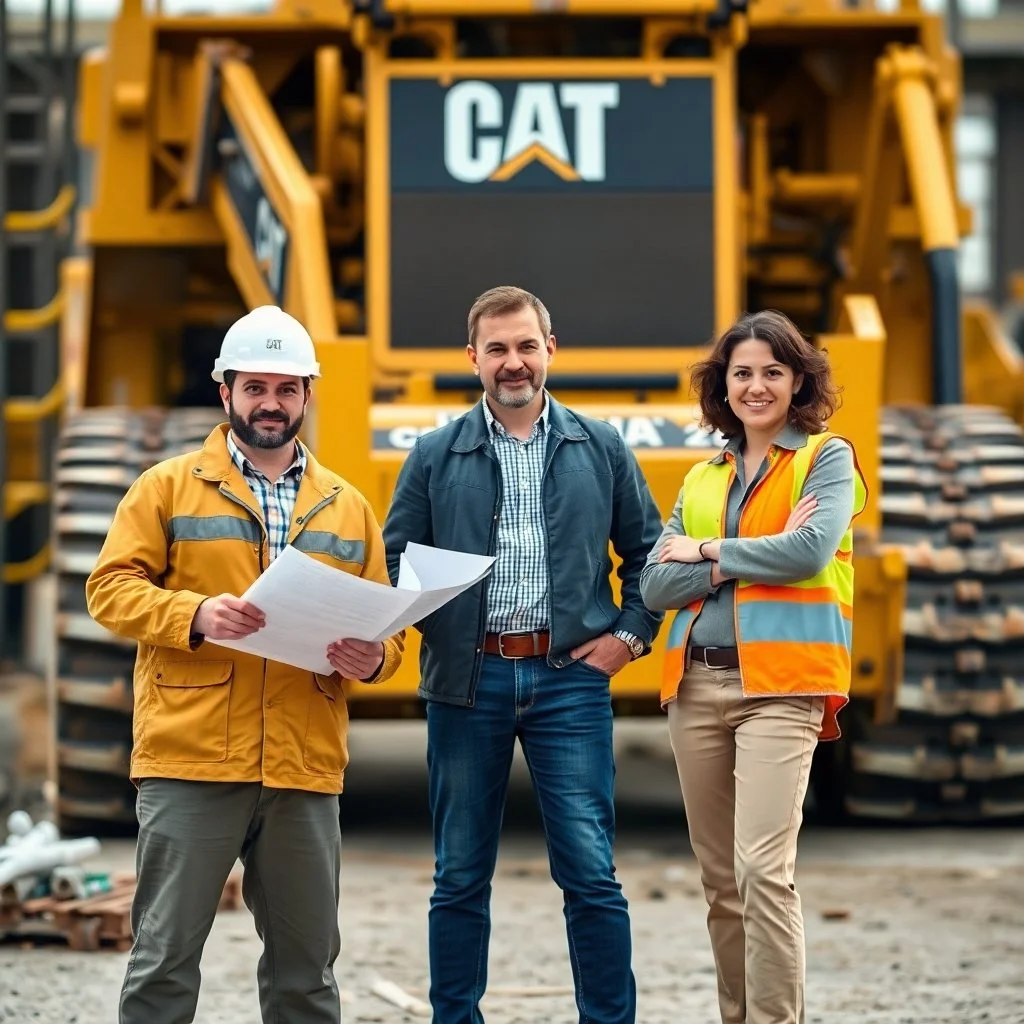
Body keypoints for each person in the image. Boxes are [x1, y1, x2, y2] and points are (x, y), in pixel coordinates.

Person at [85, 305, 404, 1024]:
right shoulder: (164, 488)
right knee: (164, 962)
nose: (271, 403)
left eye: (287, 388)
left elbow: (389, 630)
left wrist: (375, 655)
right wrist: (193, 615)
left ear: (307, 396)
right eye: (255, 386)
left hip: (303, 764)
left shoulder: (348, 507)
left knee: (307, 972)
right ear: (225, 390)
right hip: (192, 759)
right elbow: (108, 590)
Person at [381, 285, 664, 1024]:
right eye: (498, 349)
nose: (514, 363)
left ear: (551, 350)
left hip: (569, 680)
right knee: (460, 876)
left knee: (591, 874)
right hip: (467, 682)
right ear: (473, 357)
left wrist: (630, 636)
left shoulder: (599, 447)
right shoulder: (436, 455)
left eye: (526, 346)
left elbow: (651, 558)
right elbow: (394, 560)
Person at [639, 309, 866, 1024]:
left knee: (764, 874)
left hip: (783, 687)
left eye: (773, 371)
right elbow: (652, 587)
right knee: (721, 884)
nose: (757, 385)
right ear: (723, 385)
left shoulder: (826, 459)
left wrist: (706, 554)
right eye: (743, 373)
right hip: (696, 687)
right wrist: (751, 554)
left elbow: (807, 554)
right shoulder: (703, 479)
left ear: (798, 380)